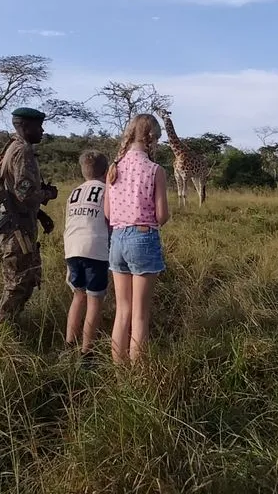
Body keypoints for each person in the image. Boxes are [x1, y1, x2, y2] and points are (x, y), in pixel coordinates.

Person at [103, 113, 171, 364]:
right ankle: (139, 377)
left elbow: (108, 214)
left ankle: (120, 375)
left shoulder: (114, 169)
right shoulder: (155, 170)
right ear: (152, 137)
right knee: (141, 316)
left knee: (123, 312)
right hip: (142, 238)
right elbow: (162, 215)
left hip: (117, 240)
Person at [0, 106, 58, 324]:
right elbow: (24, 192)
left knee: (26, 279)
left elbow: (16, 193)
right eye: (38, 126)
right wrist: (48, 193)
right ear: (25, 126)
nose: (42, 130)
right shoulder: (23, 151)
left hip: (20, 223)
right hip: (16, 228)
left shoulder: (12, 147)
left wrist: (39, 214)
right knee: (17, 283)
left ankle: (10, 327)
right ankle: (2, 331)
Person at [62, 150, 111, 367]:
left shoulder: (74, 192)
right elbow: (110, 222)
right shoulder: (107, 191)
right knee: (94, 302)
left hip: (72, 249)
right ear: (106, 171)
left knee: (78, 297)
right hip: (95, 250)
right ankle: (87, 353)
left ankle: (69, 344)